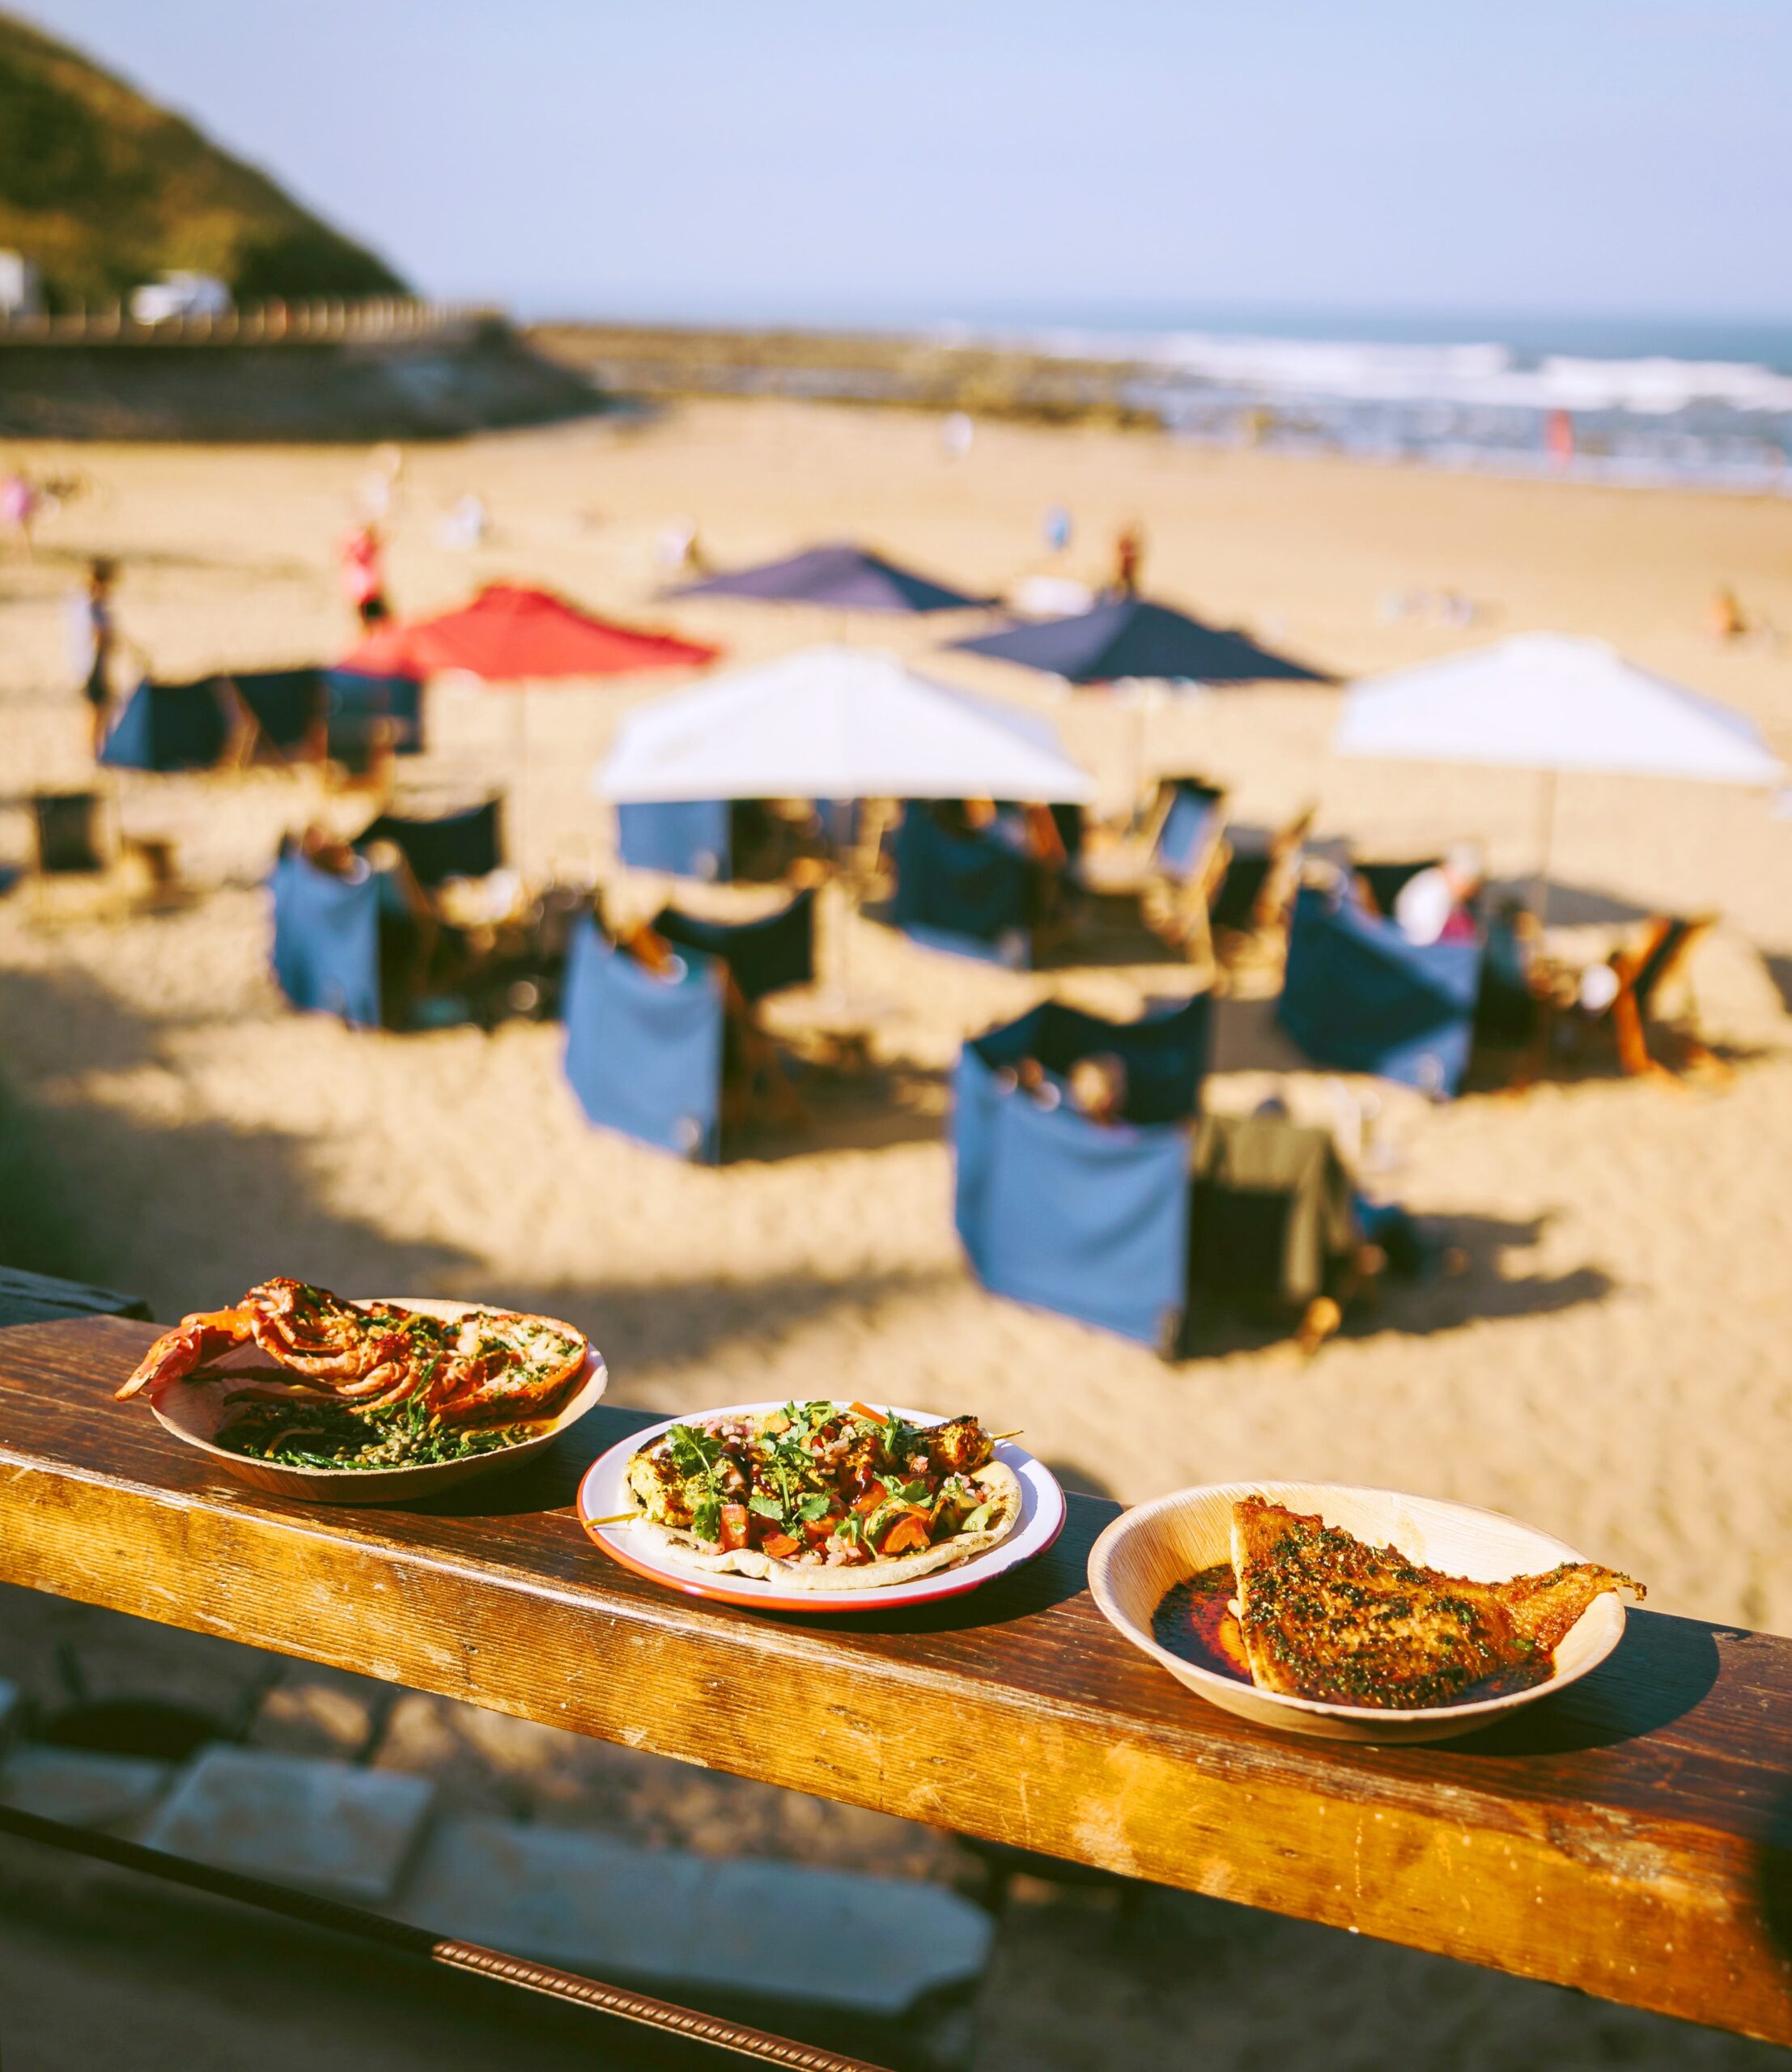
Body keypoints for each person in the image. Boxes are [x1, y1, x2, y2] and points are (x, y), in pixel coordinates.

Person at [69, 558, 120, 754]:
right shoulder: (93, 607)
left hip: (85, 664)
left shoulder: (80, 602)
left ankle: (95, 749)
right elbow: (100, 637)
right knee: (98, 709)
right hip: (94, 666)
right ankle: (94, 751)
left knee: (98, 709)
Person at [1392, 843, 1484, 947]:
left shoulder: (1438, 885)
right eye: (1469, 883)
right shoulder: (1431, 891)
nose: (1471, 891)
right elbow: (1426, 938)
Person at [340, 520, 389, 629]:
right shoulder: (363, 545)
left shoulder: (363, 545)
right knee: (380, 624)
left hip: (364, 591)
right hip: (367, 591)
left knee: (376, 624)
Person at [1112, 520, 1144, 597]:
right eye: (1123, 548)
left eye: (1131, 549)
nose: (1127, 556)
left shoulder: (1147, 604)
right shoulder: (1099, 601)